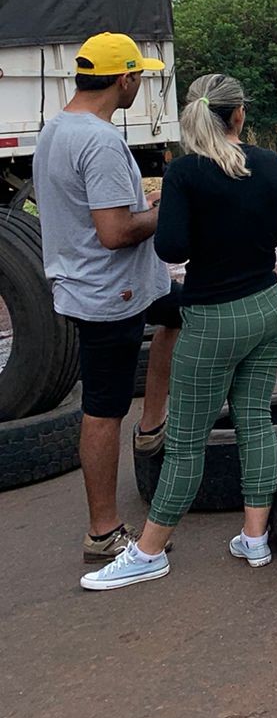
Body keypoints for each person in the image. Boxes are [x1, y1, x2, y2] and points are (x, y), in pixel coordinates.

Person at [82, 74, 277, 590]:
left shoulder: (186, 174)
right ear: (238, 115)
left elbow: (171, 249)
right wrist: (251, 228)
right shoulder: (274, 163)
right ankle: (255, 537)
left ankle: (148, 551)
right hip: (269, 307)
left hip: (214, 318)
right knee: (255, 418)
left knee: (186, 441)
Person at [32, 32, 180, 565]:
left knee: (179, 311)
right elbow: (115, 232)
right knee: (102, 409)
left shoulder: (56, 128)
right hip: (108, 293)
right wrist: (169, 211)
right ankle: (103, 531)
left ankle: (153, 425)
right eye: (139, 75)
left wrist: (145, 205)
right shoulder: (99, 140)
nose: (140, 83)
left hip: (111, 284)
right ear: (125, 79)